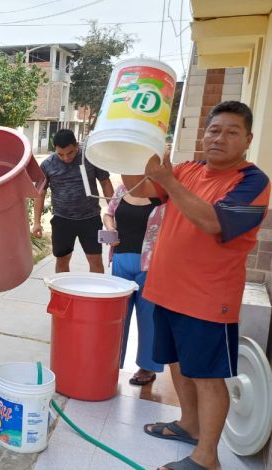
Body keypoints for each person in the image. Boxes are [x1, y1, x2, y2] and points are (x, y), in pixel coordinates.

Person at [122, 101, 270, 470]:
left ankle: (207, 458)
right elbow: (136, 186)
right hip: (165, 289)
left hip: (208, 298)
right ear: (204, 134)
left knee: (207, 376)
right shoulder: (189, 169)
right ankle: (188, 424)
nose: (220, 138)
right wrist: (128, 142)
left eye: (231, 132)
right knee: (176, 363)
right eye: (214, 130)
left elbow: (214, 223)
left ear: (248, 139)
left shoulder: (253, 181)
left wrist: (169, 179)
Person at [102, 183, 163, 386]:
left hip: (151, 267)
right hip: (121, 260)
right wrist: (110, 228)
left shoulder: (163, 193)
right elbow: (108, 213)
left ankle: (148, 366)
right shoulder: (122, 190)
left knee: (148, 318)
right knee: (118, 317)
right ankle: (111, 363)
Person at [31, 129, 114, 273]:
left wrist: (114, 213)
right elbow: (39, 193)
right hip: (62, 220)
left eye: (70, 153)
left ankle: (96, 294)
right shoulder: (47, 165)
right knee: (62, 260)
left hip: (90, 218)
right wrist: (37, 222)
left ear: (76, 145)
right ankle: (61, 294)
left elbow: (105, 183)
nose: (66, 158)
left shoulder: (90, 157)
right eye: (60, 154)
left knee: (95, 259)